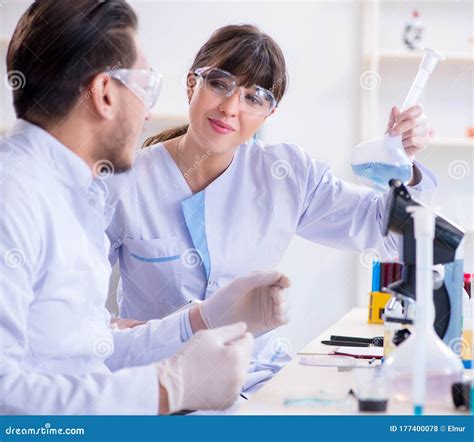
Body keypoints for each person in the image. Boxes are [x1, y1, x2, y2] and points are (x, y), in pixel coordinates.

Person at [104, 24, 436, 392]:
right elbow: (72, 309)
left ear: (269, 113)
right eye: (219, 84)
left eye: (254, 97)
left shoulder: (285, 175)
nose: (230, 108)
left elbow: (386, 232)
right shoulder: (123, 183)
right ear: (190, 84)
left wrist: (405, 164)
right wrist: (114, 331)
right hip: (158, 386)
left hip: (256, 381)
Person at [0, 1, 290, 415]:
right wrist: (165, 391)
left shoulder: (72, 193)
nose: (149, 111)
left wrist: (201, 319)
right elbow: (4, 393)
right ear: (104, 94)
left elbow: (88, 348)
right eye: (146, 88)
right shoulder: (13, 197)